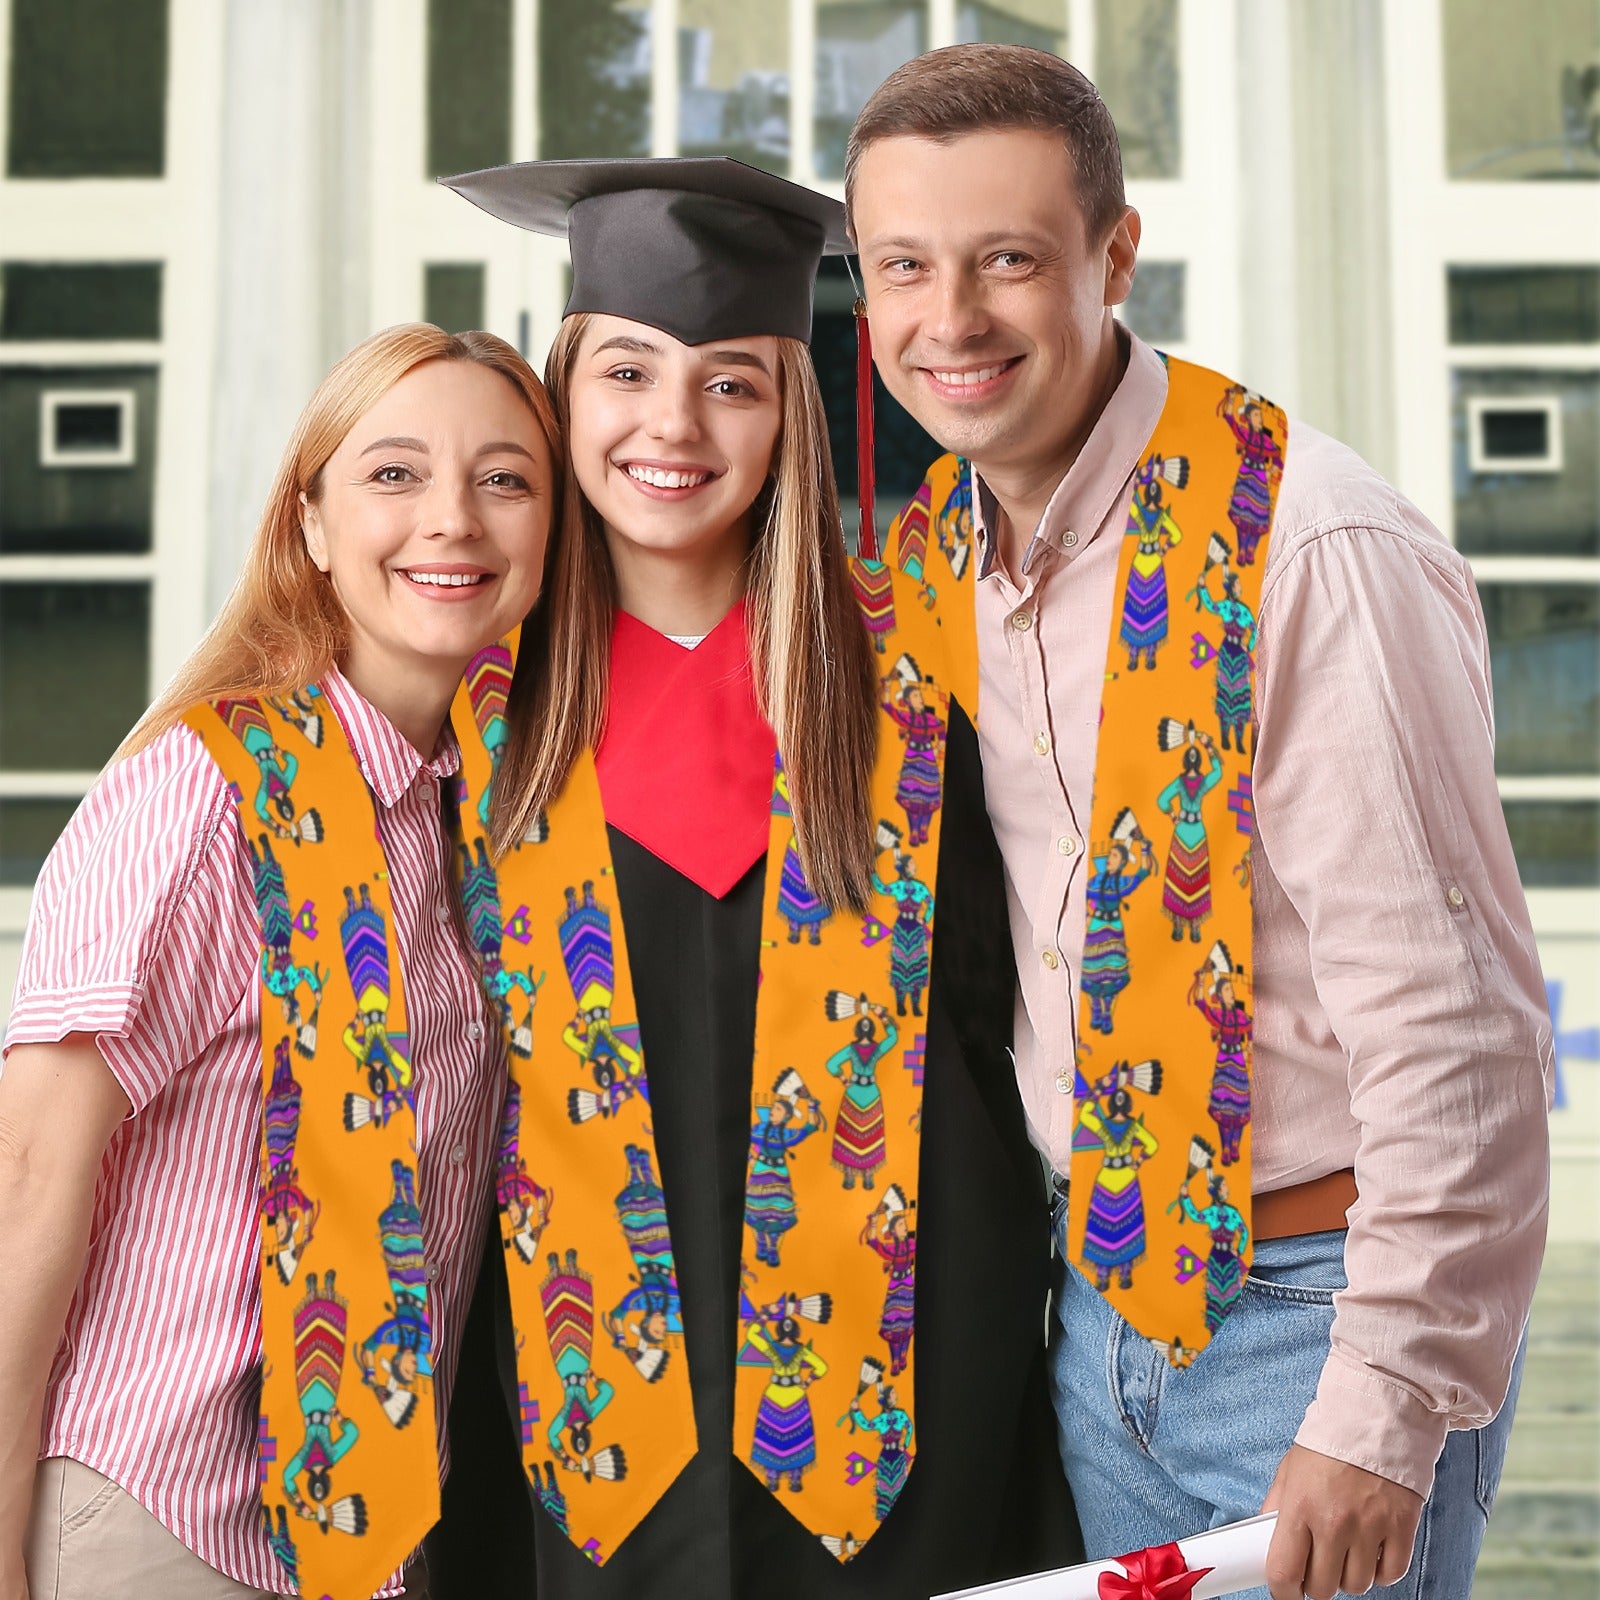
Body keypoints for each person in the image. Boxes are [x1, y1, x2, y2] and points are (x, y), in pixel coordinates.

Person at [844, 43, 1553, 1600]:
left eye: (1008, 260)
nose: (948, 320)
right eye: (905, 266)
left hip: (1314, 1320)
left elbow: (1464, 1034)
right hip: (1098, 1314)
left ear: (1114, 256)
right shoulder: (943, 555)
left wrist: (1381, 1411)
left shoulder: (1307, 549)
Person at [422, 156, 1077, 1599]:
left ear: (791, 413)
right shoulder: (465, 705)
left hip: (905, 1395)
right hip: (563, 1407)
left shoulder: (922, 671)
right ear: (560, 393)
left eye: (732, 382)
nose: (674, 425)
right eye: (629, 373)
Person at [0, 324, 560, 1600]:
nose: (452, 521)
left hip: (360, 1542)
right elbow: (28, 1170)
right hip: (156, 1517)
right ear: (308, 525)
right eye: (394, 474)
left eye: (505, 478)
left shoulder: (470, 821)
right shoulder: (202, 796)